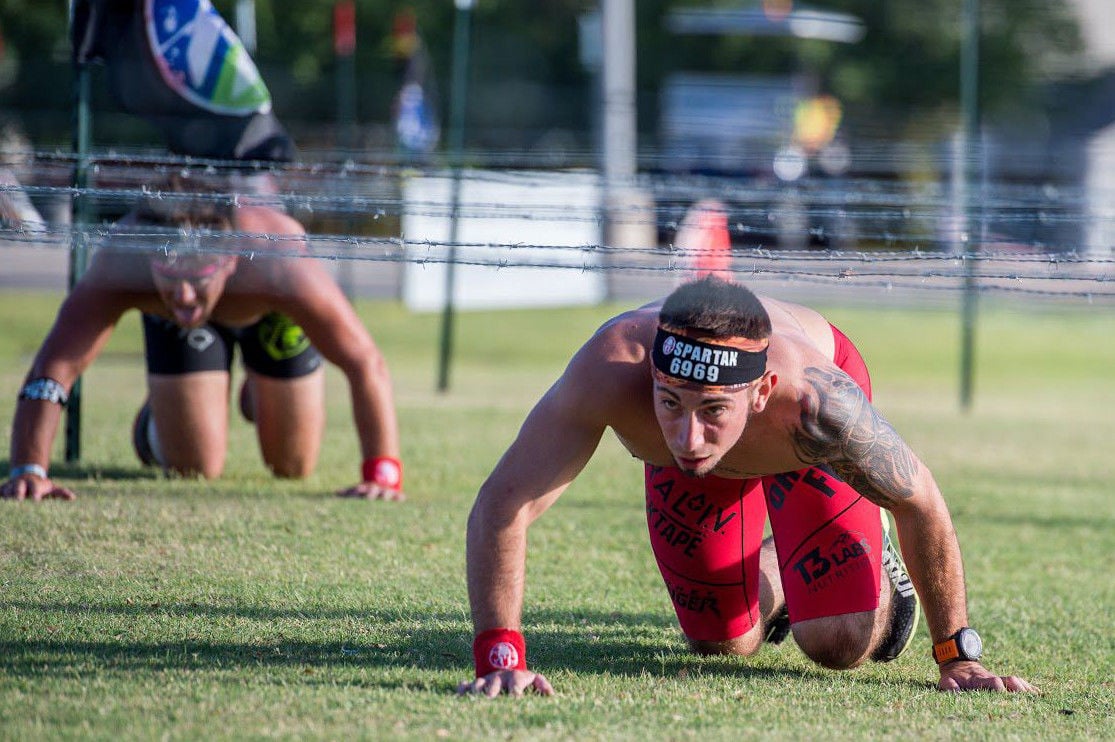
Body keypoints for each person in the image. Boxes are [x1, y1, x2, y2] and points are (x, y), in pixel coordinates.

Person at [457, 275, 1036, 697]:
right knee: (723, 644)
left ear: (760, 394)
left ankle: (872, 563)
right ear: (653, 378)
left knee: (836, 642)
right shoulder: (610, 370)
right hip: (724, 452)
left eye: (713, 410)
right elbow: (505, 503)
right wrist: (499, 656)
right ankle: (792, 559)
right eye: (669, 404)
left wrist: (956, 657)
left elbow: (922, 502)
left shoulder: (817, 405)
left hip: (795, 444)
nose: (688, 437)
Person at [2, 177, 404, 502]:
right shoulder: (124, 258)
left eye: (197, 278)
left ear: (230, 260)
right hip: (177, 327)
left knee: (292, 465)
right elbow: (56, 367)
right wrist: (28, 469)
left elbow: (365, 362)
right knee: (195, 466)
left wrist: (382, 474)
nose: (185, 295)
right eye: (171, 276)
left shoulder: (279, 261)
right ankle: (154, 421)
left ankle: (257, 391)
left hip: (270, 314)